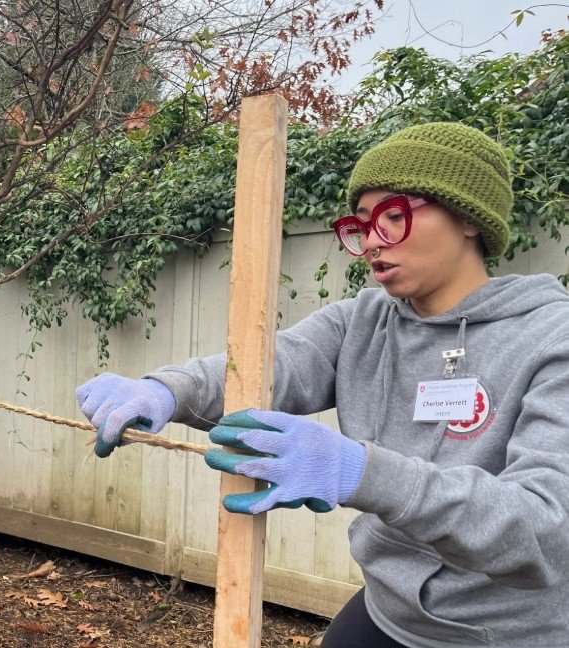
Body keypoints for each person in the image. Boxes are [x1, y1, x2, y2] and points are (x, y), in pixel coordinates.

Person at [75, 122, 569, 647]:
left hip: (508, 632)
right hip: (388, 610)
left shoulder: (551, 338)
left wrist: (361, 472)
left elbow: (545, 530)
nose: (373, 241)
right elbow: (275, 364)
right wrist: (167, 390)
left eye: (394, 216)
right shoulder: (365, 320)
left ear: (469, 216)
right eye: (361, 225)